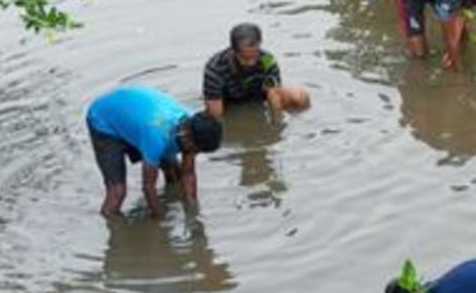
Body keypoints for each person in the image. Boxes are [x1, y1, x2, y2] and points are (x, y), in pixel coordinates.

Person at [86, 84, 221, 217]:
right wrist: (161, 220)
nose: (194, 154)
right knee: (117, 192)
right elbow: (148, 187)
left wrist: (193, 213)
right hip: (103, 120)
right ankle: (111, 223)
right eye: (195, 150)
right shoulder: (156, 136)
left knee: (174, 173)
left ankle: (168, 198)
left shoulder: (195, 124)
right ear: (187, 137)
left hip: (136, 114)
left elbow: (188, 173)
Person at [202, 22, 310, 118]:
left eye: (255, 56)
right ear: (233, 51)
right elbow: (216, 114)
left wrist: (277, 125)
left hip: (257, 97)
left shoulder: (267, 60)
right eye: (245, 59)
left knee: (299, 97)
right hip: (230, 102)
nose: (251, 63)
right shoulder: (215, 68)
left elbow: (273, 96)